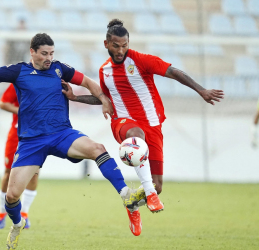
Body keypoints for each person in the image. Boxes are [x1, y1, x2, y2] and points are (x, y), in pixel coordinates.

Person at [0, 33, 143, 249]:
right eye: (44, 53)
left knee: (97, 148)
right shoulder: (19, 71)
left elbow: (88, 82)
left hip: (61, 133)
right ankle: (17, 224)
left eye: (51, 53)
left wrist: (103, 99)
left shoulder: (59, 69)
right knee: (12, 196)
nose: (48, 58)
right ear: (32, 52)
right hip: (31, 142)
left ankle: (126, 195)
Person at [62, 19, 224, 236]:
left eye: (124, 45)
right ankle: (149, 193)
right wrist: (75, 97)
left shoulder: (141, 61)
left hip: (153, 125)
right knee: (135, 137)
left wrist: (201, 90)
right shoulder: (105, 71)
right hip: (123, 123)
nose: (120, 51)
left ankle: (134, 203)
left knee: (158, 185)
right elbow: (105, 99)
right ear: (106, 44)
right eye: (116, 46)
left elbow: (174, 72)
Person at [0, 84, 38, 230]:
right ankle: (2, 213)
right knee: (8, 173)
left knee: (34, 173)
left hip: (38, 135)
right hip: (17, 133)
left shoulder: (49, 81)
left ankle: (24, 213)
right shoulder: (20, 82)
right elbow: (3, 103)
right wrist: (22, 111)